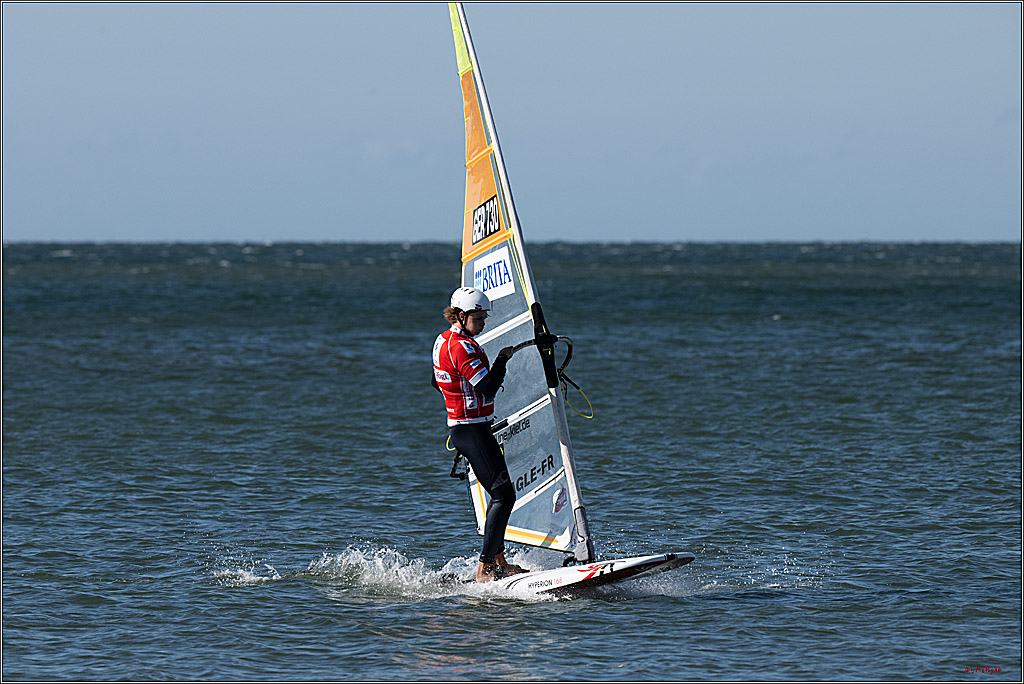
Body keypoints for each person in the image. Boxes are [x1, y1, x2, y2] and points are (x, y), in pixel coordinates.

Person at [432, 286, 528, 582]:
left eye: (485, 317)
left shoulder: (443, 340)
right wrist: (502, 359)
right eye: (479, 317)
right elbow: (485, 387)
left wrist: (457, 401)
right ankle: (486, 568)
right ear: (462, 316)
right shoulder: (461, 346)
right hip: (472, 431)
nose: (483, 322)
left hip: (465, 428)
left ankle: (498, 561)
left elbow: (435, 381)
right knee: (504, 494)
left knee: (501, 493)